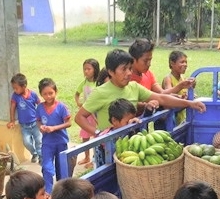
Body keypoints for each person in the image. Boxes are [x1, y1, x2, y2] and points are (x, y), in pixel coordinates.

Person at [75, 48, 206, 137]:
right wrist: (99, 133)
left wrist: (189, 103)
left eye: (130, 68)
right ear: (110, 71)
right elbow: (79, 117)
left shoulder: (134, 87)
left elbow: (162, 98)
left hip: (132, 143)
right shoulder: (100, 92)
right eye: (124, 69)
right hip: (108, 150)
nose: (129, 73)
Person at [35, 78, 72, 194]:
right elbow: (38, 121)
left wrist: (54, 128)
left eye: (51, 93)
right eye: (45, 94)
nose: (48, 96)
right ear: (41, 94)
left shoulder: (62, 107)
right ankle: (48, 192)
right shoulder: (40, 108)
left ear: (56, 92)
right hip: (47, 143)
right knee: (47, 168)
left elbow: (69, 123)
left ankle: (61, 192)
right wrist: (40, 127)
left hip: (61, 142)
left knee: (61, 168)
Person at [93, 98, 140, 167]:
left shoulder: (130, 130)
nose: (130, 123)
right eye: (127, 122)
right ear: (114, 120)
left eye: (132, 120)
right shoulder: (104, 138)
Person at [7, 73, 42, 164]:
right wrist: (12, 121)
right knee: (26, 142)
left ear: (24, 86)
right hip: (24, 126)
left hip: (35, 123)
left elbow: (40, 104)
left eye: (16, 88)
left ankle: (41, 156)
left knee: (39, 140)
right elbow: (12, 107)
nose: (14, 90)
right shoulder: (15, 96)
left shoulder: (33, 94)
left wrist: (41, 116)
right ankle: (34, 153)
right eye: (13, 88)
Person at [75, 58, 100, 167]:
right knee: (85, 136)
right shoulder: (84, 83)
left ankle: (95, 159)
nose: (86, 71)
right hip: (86, 114)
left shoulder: (98, 83)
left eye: (89, 69)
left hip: (97, 114)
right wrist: (78, 102)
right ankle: (86, 157)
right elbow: (77, 93)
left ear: (95, 70)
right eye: (84, 69)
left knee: (97, 136)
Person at [162, 50, 196, 124]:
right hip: (169, 120)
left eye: (186, 62)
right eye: (182, 62)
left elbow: (187, 93)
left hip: (180, 118)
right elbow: (168, 94)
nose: (185, 64)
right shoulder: (168, 78)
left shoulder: (183, 78)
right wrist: (181, 97)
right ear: (172, 63)